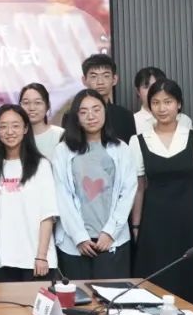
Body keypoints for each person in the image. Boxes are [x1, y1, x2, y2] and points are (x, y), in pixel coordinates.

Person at [130, 79, 193, 312]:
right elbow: (139, 188)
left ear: (179, 104)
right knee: (156, 288)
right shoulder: (138, 141)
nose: (162, 108)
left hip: (190, 223)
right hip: (154, 225)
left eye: (168, 102)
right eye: (156, 103)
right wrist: (136, 227)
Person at [53, 89, 137, 279]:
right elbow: (62, 195)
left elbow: (128, 192)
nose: (91, 116)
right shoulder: (63, 150)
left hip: (112, 241)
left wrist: (110, 233)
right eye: (83, 112)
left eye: (96, 109)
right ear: (76, 117)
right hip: (74, 244)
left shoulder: (121, 148)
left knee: (112, 295)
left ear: (105, 112)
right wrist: (79, 237)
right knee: (76, 296)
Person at [0, 104, 58, 282]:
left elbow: (48, 214)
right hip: (1, 260)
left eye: (16, 126)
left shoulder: (41, 165)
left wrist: (42, 256)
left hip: (35, 260)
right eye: (3, 126)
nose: (9, 132)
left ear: (25, 129)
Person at [80, 54, 137, 143]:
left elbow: (130, 148)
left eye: (106, 76)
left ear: (114, 79)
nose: (100, 82)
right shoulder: (73, 115)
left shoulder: (125, 116)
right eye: (94, 76)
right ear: (84, 80)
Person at [133, 66, 192, 135]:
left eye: (155, 86)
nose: (151, 91)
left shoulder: (184, 120)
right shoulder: (133, 121)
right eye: (146, 87)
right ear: (138, 91)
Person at [19, 83, 65, 159]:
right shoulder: (15, 137)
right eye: (26, 103)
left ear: (47, 106)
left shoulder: (60, 134)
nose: (32, 108)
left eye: (38, 102)